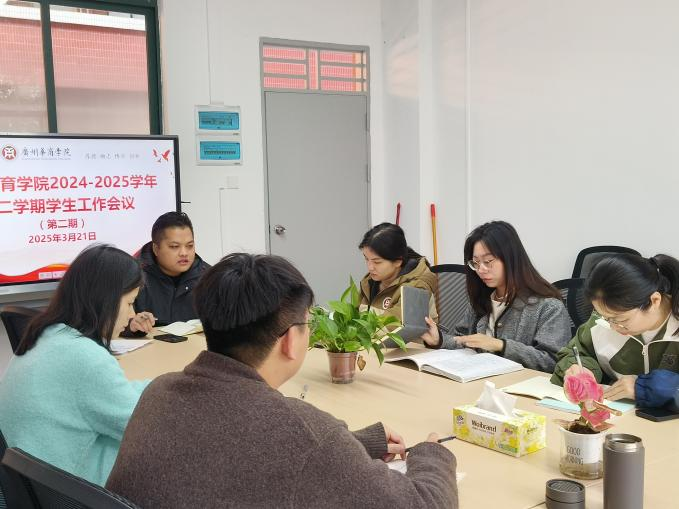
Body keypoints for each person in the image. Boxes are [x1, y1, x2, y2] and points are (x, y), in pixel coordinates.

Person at [106, 253, 458, 509]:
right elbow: (423, 504)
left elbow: (243, 451)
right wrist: (432, 455)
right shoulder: (303, 432)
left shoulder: (159, 391)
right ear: (290, 339)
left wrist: (352, 444)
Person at [0, 245, 150, 486]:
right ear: (106, 299)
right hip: (68, 489)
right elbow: (142, 427)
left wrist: (159, 386)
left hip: (30, 482)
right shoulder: (86, 359)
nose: (132, 314)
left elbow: (108, 395)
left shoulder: (47, 334)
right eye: (130, 303)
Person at [422, 221, 571, 372]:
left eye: (488, 261)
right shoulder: (481, 300)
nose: (481, 269)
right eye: (476, 263)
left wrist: (500, 345)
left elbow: (553, 362)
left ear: (510, 258)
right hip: (477, 380)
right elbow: (463, 340)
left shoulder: (549, 307)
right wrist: (439, 339)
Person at [552, 254, 679, 408]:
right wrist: (581, 369)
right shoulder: (603, 320)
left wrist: (643, 388)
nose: (613, 327)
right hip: (620, 415)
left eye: (622, 320)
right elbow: (576, 353)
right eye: (606, 318)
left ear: (654, 301)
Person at [127, 211, 210, 333]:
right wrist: (131, 325)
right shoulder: (133, 276)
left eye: (189, 246)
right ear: (156, 249)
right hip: (149, 344)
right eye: (174, 247)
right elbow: (111, 324)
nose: (184, 253)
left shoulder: (209, 277)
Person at [358, 222, 438, 325]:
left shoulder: (417, 287)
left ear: (397, 261)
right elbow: (354, 317)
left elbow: (394, 327)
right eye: (366, 259)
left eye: (377, 262)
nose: (370, 267)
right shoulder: (369, 281)